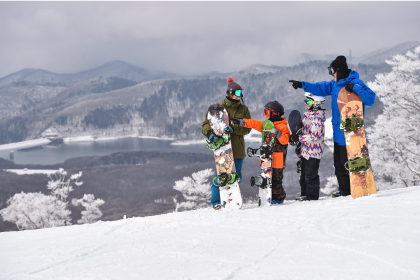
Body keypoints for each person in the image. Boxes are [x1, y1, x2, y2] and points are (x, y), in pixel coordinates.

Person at [289, 55, 376, 197]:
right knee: (338, 164)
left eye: (332, 72)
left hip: (351, 132)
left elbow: (371, 99)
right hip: (337, 132)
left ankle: (356, 188)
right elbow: (318, 87)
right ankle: (344, 190)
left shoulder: (356, 82)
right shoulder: (334, 85)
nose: (331, 75)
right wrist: (302, 84)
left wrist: (355, 88)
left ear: (340, 71)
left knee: (347, 163)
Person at [202, 78, 251, 210]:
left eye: (242, 93)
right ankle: (216, 202)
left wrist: (235, 129)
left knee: (237, 176)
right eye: (239, 93)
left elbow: (248, 128)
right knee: (221, 175)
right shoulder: (218, 109)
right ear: (230, 93)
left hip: (237, 148)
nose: (241, 96)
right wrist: (209, 134)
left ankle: (231, 198)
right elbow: (205, 125)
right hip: (222, 148)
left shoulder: (244, 110)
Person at [231, 101, 290, 203]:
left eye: (266, 112)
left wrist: (277, 132)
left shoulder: (282, 126)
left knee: (276, 181)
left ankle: (279, 198)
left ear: (274, 114)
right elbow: (255, 123)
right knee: (267, 180)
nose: (264, 114)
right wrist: (242, 122)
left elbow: (285, 140)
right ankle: (269, 197)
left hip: (278, 161)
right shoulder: (266, 125)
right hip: (267, 158)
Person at [294, 93, 326, 201]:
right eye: (305, 101)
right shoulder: (308, 115)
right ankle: (305, 194)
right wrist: (297, 134)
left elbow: (315, 136)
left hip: (314, 151)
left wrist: (300, 138)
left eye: (308, 102)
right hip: (305, 151)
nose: (306, 104)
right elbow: (304, 131)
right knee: (303, 175)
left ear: (316, 103)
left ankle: (311, 196)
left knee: (311, 175)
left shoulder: (317, 118)